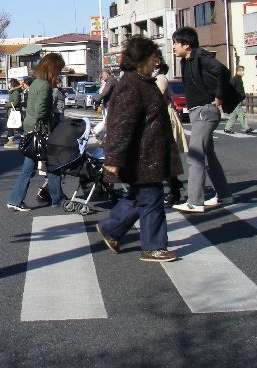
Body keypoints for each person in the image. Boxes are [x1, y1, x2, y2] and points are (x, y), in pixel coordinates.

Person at [95, 37, 180, 262]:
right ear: (140, 59)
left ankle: (111, 228)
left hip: (147, 155)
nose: (156, 62)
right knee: (152, 200)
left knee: (139, 197)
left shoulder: (142, 82)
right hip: (141, 157)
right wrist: (113, 158)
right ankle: (153, 247)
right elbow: (121, 125)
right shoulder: (131, 85)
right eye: (153, 57)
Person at [170, 27, 233, 213]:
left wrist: (219, 97)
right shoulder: (186, 60)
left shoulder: (201, 56)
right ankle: (224, 195)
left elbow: (223, 71)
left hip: (205, 111)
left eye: (175, 43)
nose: (173, 46)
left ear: (186, 45)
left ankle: (195, 201)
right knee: (209, 156)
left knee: (195, 155)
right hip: (198, 111)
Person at [6, 53, 66, 212]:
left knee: (32, 167)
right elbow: (41, 112)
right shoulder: (45, 86)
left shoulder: (36, 83)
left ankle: (16, 199)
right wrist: (52, 119)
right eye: (58, 69)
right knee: (52, 164)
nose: (59, 72)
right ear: (52, 68)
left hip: (31, 128)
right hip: (40, 130)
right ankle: (57, 199)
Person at [155, 62, 187, 206]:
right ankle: (174, 185)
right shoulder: (154, 78)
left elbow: (156, 97)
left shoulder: (160, 78)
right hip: (158, 117)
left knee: (163, 155)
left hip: (164, 118)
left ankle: (174, 189)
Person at [223, 66, 253, 134]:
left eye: (243, 70)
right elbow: (229, 90)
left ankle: (227, 128)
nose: (243, 72)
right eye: (241, 70)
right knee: (241, 114)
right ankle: (246, 128)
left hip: (237, 100)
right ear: (237, 71)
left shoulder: (239, 79)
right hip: (235, 100)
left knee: (233, 116)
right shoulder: (235, 79)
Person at [5, 78, 23, 147]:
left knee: (15, 126)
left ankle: (24, 136)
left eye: (9, 83)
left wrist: (7, 105)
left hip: (13, 111)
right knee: (11, 126)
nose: (8, 85)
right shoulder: (13, 91)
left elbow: (15, 102)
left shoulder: (15, 92)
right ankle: (10, 140)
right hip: (11, 111)